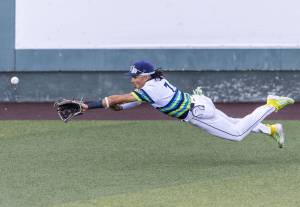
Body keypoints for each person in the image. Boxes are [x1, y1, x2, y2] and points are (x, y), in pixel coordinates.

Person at [81, 61, 294, 148]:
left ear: (144, 76)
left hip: (197, 113)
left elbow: (119, 99)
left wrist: (90, 106)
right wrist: (115, 107)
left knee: (236, 134)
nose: (132, 79)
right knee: (232, 122)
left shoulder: (151, 88)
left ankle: (271, 105)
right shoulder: (153, 83)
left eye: (134, 77)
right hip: (198, 102)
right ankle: (271, 129)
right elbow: (126, 103)